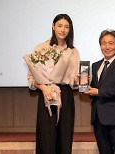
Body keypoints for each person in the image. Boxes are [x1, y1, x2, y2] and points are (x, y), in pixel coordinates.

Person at [27, 14, 80, 154]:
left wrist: (80, 81)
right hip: (47, 96)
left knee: (65, 138)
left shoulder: (73, 52)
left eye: (67, 27)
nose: (63, 30)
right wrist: (44, 87)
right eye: (60, 26)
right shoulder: (41, 48)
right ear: (53, 26)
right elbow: (31, 79)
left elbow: (74, 82)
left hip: (66, 97)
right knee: (46, 139)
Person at [85, 29, 115, 154]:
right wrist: (82, 84)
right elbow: (93, 89)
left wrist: (99, 92)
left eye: (111, 43)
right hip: (98, 119)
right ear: (100, 45)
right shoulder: (95, 66)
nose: (107, 47)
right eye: (103, 43)